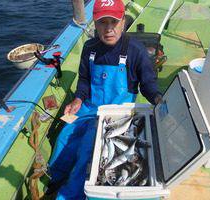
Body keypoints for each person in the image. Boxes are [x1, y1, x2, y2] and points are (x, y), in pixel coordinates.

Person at [45, 0, 162, 199]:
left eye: (113, 22)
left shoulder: (136, 50)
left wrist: (158, 99)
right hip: (90, 107)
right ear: (95, 23)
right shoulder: (90, 48)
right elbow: (84, 79)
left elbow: (148, 84)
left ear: (123, 22)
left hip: (117, 114)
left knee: (86, 150)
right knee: (64, 137)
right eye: (102, 22)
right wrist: (78, 99)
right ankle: (54, 178)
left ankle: (70, 195)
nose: (108, 29)